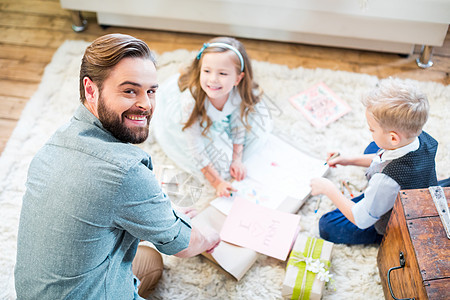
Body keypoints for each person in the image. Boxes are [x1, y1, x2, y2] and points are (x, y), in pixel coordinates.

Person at [15, 33, 220, 299]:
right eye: (129, 91)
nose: (146, 104)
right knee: (162, 253)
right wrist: (212, 234)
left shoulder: (54, 145)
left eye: (151, 91)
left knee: (149, 262)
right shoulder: (125, 172)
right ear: (91, 89)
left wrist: (157, 214)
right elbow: (185, 246)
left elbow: (97, 214)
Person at [310, 78, 438, 245]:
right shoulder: (419, 137)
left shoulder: (384, 181)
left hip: (396, 219)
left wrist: (329, 189)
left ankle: (381, 236)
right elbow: (383, 158)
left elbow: (361, 219)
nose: (369, 131)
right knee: (373, 147)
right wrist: (349, 160)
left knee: (327, 225)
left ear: (393, 138)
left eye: (372, 129)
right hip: (412, 182)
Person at [152, 37, 273, 197]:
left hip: (222, 112)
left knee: (255, 135)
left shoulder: (237, 95)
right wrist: (217, 182)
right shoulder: (191, 101)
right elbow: (195, 146)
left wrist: (237, 159)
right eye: (207, 71)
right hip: (192, 121)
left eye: (222, 73)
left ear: (237, 79)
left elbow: (238, 126)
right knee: (216, 163)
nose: (213, 79)